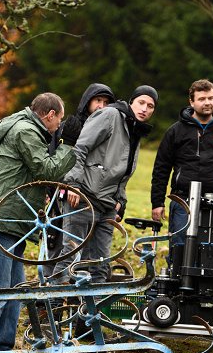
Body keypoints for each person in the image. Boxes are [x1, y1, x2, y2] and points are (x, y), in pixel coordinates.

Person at [0, 92, 80, 353]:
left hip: (14, 220)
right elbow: (46, 168)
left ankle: (2, 349)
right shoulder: (26, 130)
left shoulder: (25, 128)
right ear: (50, 115)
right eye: (59, 119)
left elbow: (32, 174)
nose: (58, 126)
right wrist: (71, 147)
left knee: (16, 289)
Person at [52, 85, 157, 284]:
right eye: (141, 102)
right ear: (131, 101)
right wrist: (72, 184)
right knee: (71, 255)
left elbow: (123, 172)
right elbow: (80, 148)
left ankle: (91, 313)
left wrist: (120, 200)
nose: (145, 108)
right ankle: (50, 305)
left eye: (150, 106)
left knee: (100, 264)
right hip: (83, 197)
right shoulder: (110, 115)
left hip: (107, 204)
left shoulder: (135, 129)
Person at [150, 79, 213, 250]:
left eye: (211, 98)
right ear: (191, 101)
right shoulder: (176, 131)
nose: (207, 103)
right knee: (179, 249)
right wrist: (157, 202)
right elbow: (161, 168)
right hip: (182, 200)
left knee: (212, 251)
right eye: (202, 99)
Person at [43, 83, 115, 278]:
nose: (102, 106)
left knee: (84, 253)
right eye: (98, 100)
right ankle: (49, 299)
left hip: (89, 197)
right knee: (57, 247)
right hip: (62, 193)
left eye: (106, 102)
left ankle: (76, 301)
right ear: (88, 101)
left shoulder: (108, 129)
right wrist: (53, 191)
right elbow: (55, 157)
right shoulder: (72, 125)